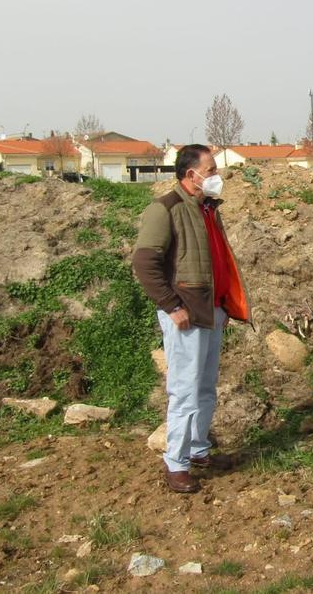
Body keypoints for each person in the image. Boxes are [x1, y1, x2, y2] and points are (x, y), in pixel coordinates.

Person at [131, 144, 250, 494]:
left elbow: (217, 261)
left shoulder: (208, 209)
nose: (217, 177)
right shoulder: (164, 209)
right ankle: (176, 464)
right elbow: (144, 263)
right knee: (184, 391)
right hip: (185, 314)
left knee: (205, 388)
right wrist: (172, 306)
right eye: (211, 170)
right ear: (190, 174)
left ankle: (198, 451)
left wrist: (224, 305)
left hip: (210, 311)